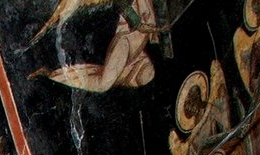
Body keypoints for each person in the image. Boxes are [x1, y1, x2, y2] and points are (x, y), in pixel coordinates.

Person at [33, 0, 163, 93]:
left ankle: (57, 74)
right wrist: (138, 24)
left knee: (148, 74)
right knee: (103, 85)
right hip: (126, 42)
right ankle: (52, 75)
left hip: (138, 49)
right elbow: (123, 5)